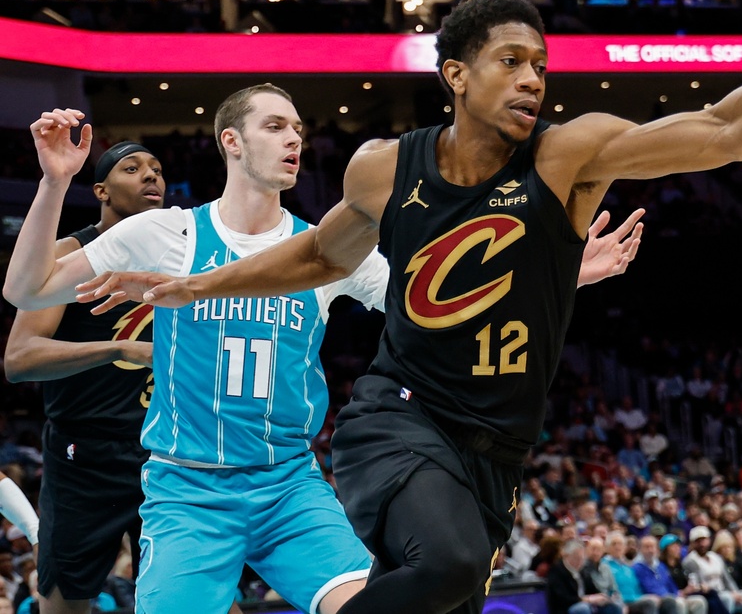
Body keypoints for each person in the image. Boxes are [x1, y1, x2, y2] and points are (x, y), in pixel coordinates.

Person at [67, 0, 742, 614]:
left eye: (540, 62)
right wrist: (198, 287)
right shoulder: (385, 167)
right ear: (457, 75)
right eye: (512, 61)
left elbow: (720, 132)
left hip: (496, 448)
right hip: (397, 422)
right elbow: (319, 256)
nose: (535, 78)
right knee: (455, 559)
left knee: (456, 589)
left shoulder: (570, 153)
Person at [2, 96, 641, 613]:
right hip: (187, 489)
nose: (292, 139)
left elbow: (438, 304)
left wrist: (557, 273)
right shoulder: (167, 232)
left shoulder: (328, 248)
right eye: (274, 126)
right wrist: (55, 181)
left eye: (298, 129)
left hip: (290, 486)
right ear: (231, 141)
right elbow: (24, 289)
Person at [3, 141, 164, 614]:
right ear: (101, 191)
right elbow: (20, 357)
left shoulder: (182, 251)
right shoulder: (69, 254)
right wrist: (120, 348)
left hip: (168, 450)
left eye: (156, 169)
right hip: (85, 456)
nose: (150, 176)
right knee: (65, 603)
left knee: (196, 598)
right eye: (132, 169)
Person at [683, 528, 742, 614]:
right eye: (698, 541)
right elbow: (701, 585)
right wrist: (729, 594)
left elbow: (727, 579)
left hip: (725, 591)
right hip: (712, 595)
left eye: (704, 540)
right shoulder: (690, 561)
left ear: (709, 540)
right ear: (693, 543)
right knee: (727, 598)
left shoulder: (715, 557)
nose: (702, 544)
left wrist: (735, 592)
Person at [546, 539, 620, 614]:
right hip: (566, 608)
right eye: (576, 558)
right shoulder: (557, 571)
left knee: (612, 607)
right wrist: (587, 599)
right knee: (582, 609)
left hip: (586, 604)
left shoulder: (582, 571)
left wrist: (601, 597)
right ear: (566, 556)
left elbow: (592, 589)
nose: (579, 562)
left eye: (582, 559)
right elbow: (563, 599)